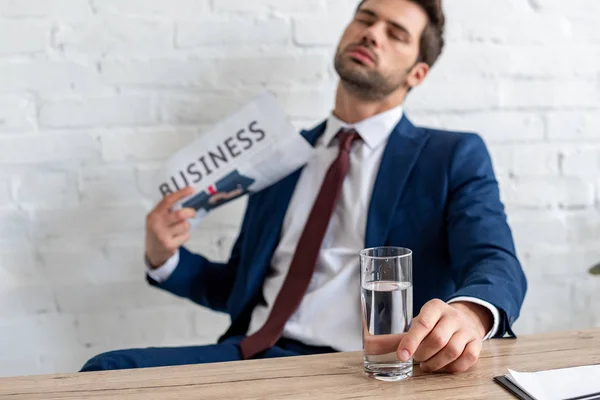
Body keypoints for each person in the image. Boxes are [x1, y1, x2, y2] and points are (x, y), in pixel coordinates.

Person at [81, 0, 527, 374]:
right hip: (253, 355)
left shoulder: (450, 156)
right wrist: (165, 258)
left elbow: (495, 260)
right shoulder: (282, 156)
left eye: (396, 33)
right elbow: (238, 286)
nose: (372, 34)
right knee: (105, 373)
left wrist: (470, 313)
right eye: (366, 18)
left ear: (417, 73)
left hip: (368, 367)